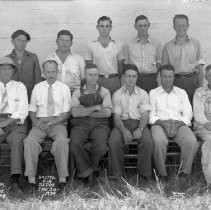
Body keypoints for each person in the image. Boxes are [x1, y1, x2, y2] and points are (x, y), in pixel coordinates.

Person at [24, 60, 71, 193]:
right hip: (39, 123)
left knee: (62, 141)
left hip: (58, 122)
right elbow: (32, 110)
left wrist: (50, 123)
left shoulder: (64, 88)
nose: (50, 74)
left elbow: (66, 114)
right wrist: (35, 122)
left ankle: (62, 179)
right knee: (29, 141)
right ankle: (31, 180)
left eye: (53, 71)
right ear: (44, 72)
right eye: (48, 72)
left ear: (57, 71)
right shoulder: (37, 87)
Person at [149, 64, 199, 181]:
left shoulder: (181, 92)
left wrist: (178, 124)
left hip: (179, 123)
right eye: (165, 76)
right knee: (158, 141)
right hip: (159, 123)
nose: (167, 79)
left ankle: (184, 172)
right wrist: (162, 123)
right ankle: (162, 174)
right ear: (160, 77)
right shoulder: (153, 92)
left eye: (170, 76)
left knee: (191, 141)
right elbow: (151, 114)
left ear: (174, 77)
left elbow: (188, 113)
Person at [108, 64, 154, 181]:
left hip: (139, 123)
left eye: (134, 76)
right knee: (113, 141)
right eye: (128, 76)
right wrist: (123, 131)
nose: (131, 79)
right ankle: (116, 174)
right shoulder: (117, 94)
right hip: (121, 124)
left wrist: (140, 129)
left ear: (137, 77)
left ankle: (144, 174)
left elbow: (145, 114)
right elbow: (116, 117)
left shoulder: (143, 93)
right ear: (123, 77)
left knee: (148, 142)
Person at [70, 63, 112, 185]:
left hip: (100, 125)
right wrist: (95, 107)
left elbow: (107, 113)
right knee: (74, 143)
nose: (93, 77)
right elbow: (74, 113)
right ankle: (90, 172)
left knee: (101, 146)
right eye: (90, 75)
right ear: (85, 75)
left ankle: (87, 171)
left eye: (95, 75)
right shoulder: (77, 92)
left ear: (98, 75)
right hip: (80, 125)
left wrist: (85, 111)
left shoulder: (105, 92)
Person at [0, 57, 28, 195]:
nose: (6, 71)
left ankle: (15, 180)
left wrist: (5, 123)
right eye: (3, 68)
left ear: (13, 71)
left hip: (15, 123)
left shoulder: (19, 86)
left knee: (17, 141)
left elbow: (22, 111)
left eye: (9, 69)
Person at [162, 14, 205, 103]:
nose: (181, 28)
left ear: (188, 26)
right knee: (176, 110)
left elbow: (200, 68)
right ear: (174, 27)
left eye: (183, 25)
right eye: (178, 26)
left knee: (193, 109)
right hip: (174, 82)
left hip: (192, 81)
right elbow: (164, 70)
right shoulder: (167, 46)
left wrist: (200, 87)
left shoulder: (196, 43)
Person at [84, 16, 124, 95]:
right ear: (97, 27)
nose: (104, 29)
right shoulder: (90, 45)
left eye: (107, 26)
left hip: (114, 80)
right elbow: (89, 66)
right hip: (98, 80)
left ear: (111, 27)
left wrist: (115, 78)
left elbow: (121, 66)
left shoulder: (118, 44)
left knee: (115, 105)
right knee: (98, 105)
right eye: (101, 26)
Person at [124, 15, 162, 93]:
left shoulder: (156, 44)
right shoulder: (129, 45)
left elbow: (159, 62)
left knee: (150, 103)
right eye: (140, 26)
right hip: (134, 80)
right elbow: (127, 64)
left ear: (149, 25)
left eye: (145, 25)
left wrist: (152, 75)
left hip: (151, 80)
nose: (142, 28)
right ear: (135, 27)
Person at [7, 29, 42, 100]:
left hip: (30, 95)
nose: (22, 43)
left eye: (24, 41)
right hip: (12, 96)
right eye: (19, 40)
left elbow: (38, 78)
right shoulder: (7, 59)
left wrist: (37, 96)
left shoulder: (33, 57)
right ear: (12, 41)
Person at [193, 64, 211, 184]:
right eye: (210, 75)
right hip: (204, 127)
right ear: (205, 77)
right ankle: (210, 180)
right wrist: (208, 123)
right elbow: (198, 114)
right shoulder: (199, 92)